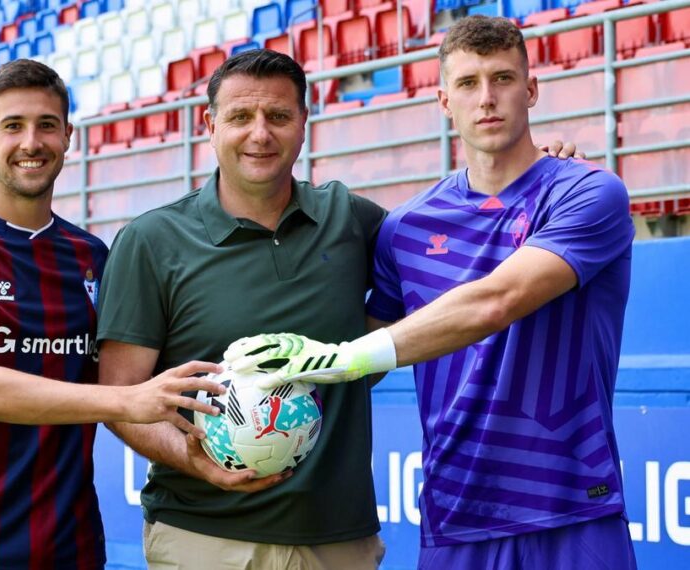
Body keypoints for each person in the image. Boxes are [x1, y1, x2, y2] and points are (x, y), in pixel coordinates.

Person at [226, 17, 637, 570]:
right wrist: (259, 383)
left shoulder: (588, 193)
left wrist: (339, 358)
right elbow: (373, 348)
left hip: (571, 507)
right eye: (468, 84)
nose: (486, 99)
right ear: (444, 100)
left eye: (503, 79)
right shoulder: (406, 227)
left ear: (532, 89)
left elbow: (499, 300)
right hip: (456, 511)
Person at [0, 59, 226, 570]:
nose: (32, 142)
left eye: (47, 125)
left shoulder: (93, 257)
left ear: (68, 135)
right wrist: (124, 399)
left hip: (70, 546)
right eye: (13, 126)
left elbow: (129, 382)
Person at [96, 49, 388, 569]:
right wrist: (190, 457)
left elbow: (455, 246)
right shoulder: (151, 240)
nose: (260, 134)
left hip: (337, 538)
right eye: (240, 117)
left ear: (303, 121)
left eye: (278, 116)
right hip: (204, 538)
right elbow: (119, 396)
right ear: (209, 125)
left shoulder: (351, 220)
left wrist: (539, 175)